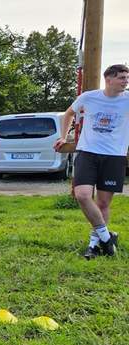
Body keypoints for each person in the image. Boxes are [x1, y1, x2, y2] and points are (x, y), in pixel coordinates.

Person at [54, 64, 129, 259]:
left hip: (114, 156)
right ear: (109, 78)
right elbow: (69, 113)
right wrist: (64, 136)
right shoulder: (89, 97)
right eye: (122, 77)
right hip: (88, 152)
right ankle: (106, 237)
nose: (126, 81)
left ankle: (94, 245)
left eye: (126, 77)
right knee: (82, 195)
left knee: (103, 203)